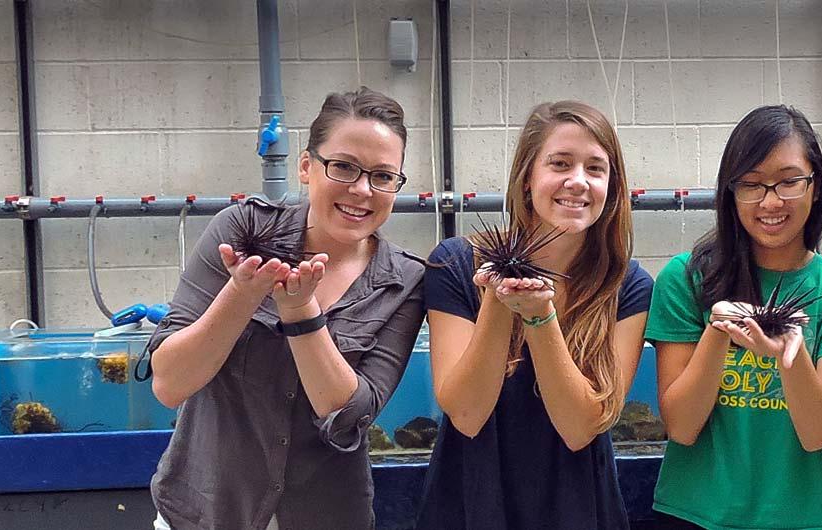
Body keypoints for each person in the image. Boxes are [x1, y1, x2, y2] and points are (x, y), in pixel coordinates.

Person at [145, 87, 428, 530]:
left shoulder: (405, 280)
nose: (361, 190)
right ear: (305, 166)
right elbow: (169, 384)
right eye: (344, 167)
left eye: (383, 176)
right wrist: (241, 295)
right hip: (204, 514)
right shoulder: (241, 228)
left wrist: (301, 314)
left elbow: (350, 416)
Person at [416, 100, 653, 530]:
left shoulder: (628, 287)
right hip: (469, 501)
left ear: (612, 186)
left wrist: (541, 318)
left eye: (596, 169)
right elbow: (466, 414)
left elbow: (581, 428)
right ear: (528, 179)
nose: (577, 181)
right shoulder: (455, 264)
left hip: (580, 508)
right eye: (560, 163)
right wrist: (498, 300)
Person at [644, 105, 822, 530]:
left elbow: (816, 432)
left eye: (789, 181)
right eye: (751, 185)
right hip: (694, 515)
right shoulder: (685, 278)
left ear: (815, 185)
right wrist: (718, 331)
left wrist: (791, 355)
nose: (770, 201)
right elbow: (680, 426)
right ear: (730, 192)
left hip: (803, 519)